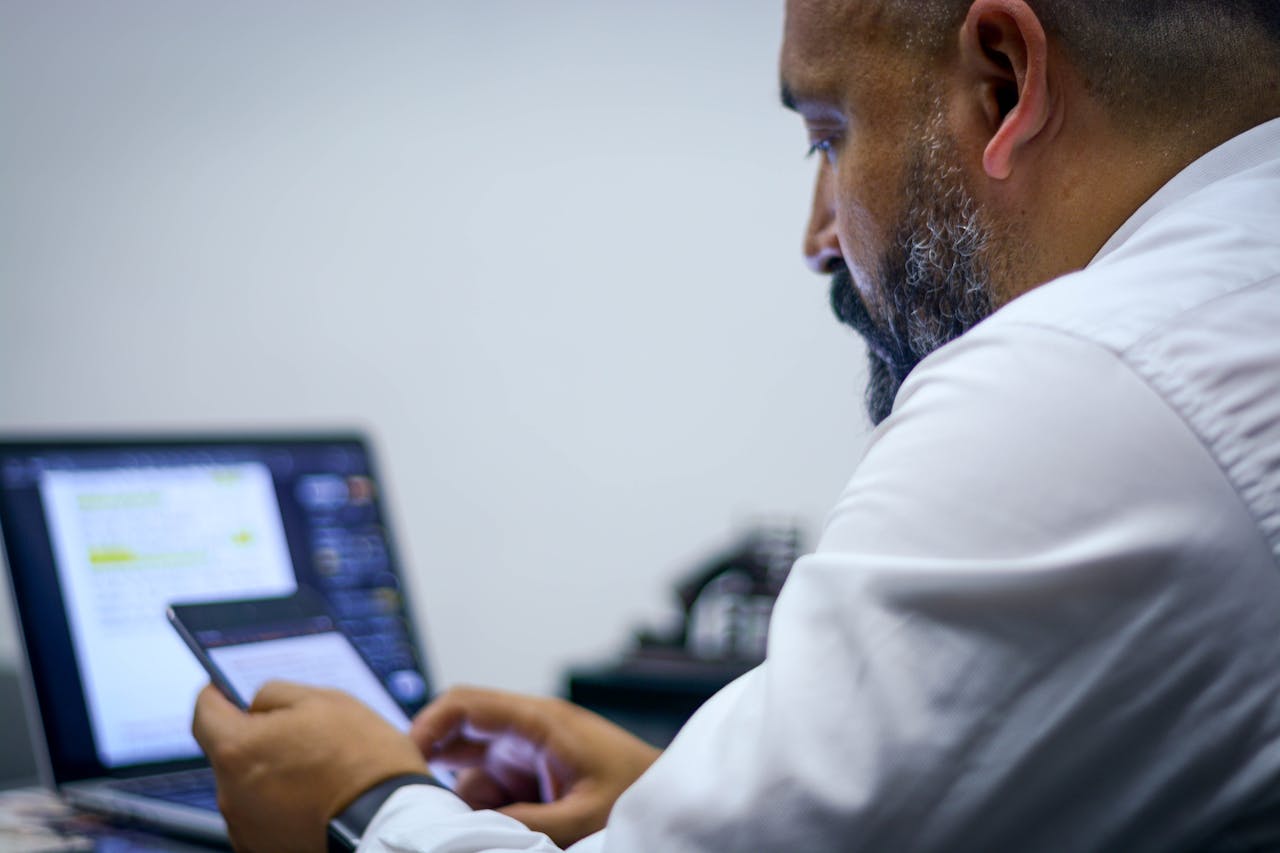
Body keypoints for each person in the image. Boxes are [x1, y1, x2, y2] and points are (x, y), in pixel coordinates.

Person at [191, 0, 1280, 849]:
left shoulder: (1094, 376)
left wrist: (361, 803)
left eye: (826, 134)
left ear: (1001, 83)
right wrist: (687, 803)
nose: (814, 235)